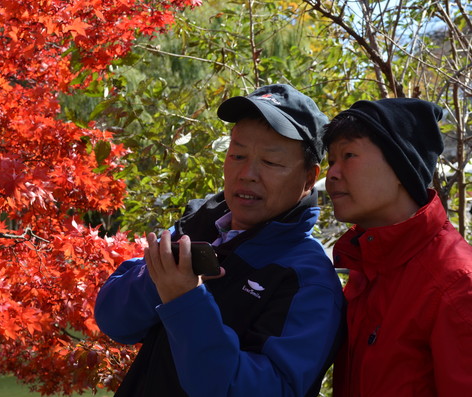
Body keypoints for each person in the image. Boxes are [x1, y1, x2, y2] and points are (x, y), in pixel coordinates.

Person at [94, 84, 346, 397]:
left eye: (270, 162)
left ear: (309, 178)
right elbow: (114, 321)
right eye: (237, 155)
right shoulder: (198, 228)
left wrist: (184, 300)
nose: (247, 173)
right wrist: (159, 278)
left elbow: (267, 389)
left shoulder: (308, 281)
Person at [323, 98, 472, 397]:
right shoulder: (368, 265)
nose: (332, 174)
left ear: (402, 168)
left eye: (349, 155)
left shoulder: (456, 284)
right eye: (331, 161)